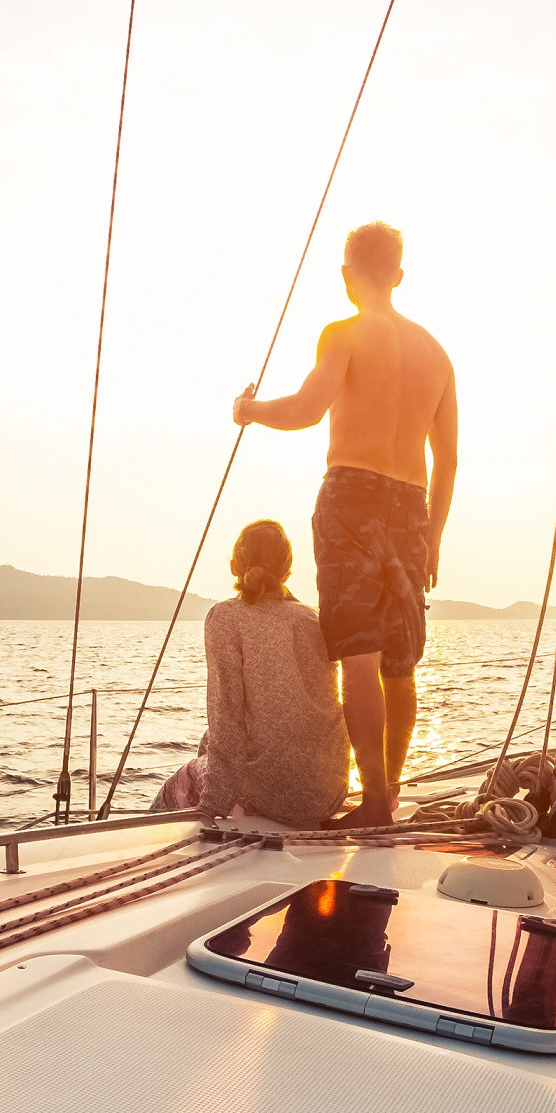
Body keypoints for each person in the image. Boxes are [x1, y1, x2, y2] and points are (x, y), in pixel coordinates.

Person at [231, 221, 455, 828]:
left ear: (347, 275)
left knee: (359, 657)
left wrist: (248, 410)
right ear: (400, 275)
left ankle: (375, 801)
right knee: (401, 663)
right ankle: (390, 792)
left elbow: (306, 410)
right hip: (413, 506)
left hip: (352, 498)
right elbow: (449, 458)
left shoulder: (344, 333)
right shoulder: (437, 354)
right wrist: (432, 533)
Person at [179, 519, 351, 829]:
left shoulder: (226, 618)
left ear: (235, 564)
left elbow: (226, 717)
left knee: (175, 788)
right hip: (325, 794)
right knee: (209, 744)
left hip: (269, 795)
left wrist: (212, 804)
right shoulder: (312, 619)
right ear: (287, 570)